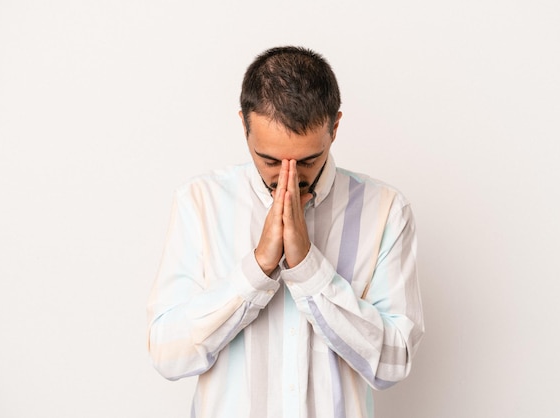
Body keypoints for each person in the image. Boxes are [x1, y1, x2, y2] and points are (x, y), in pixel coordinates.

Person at [147, 46, 424, 418]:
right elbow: (168, 355)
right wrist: (257, 269)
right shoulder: (200, 202)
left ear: (335, 127)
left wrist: (309, 269)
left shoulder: (386, 210)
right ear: (244, 125)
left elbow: (393, 361)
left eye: (308, 159)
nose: (288, 177)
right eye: (269, 160)